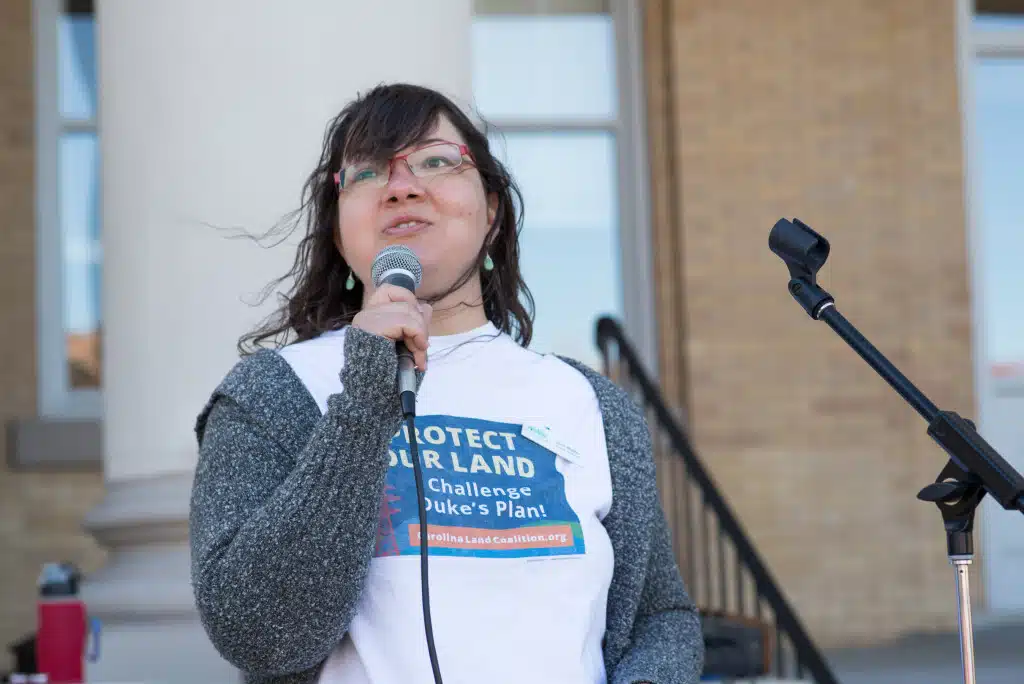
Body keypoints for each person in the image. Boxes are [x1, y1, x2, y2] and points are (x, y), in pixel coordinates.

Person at [188, 82, 704, 684]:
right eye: (367, 172)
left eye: (435, 161)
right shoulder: (276, 392)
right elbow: (259, 633)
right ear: (338, 233)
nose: (401, 186)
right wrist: (363, 400)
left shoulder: (590, 404)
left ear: (491, 212)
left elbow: (659, 620)